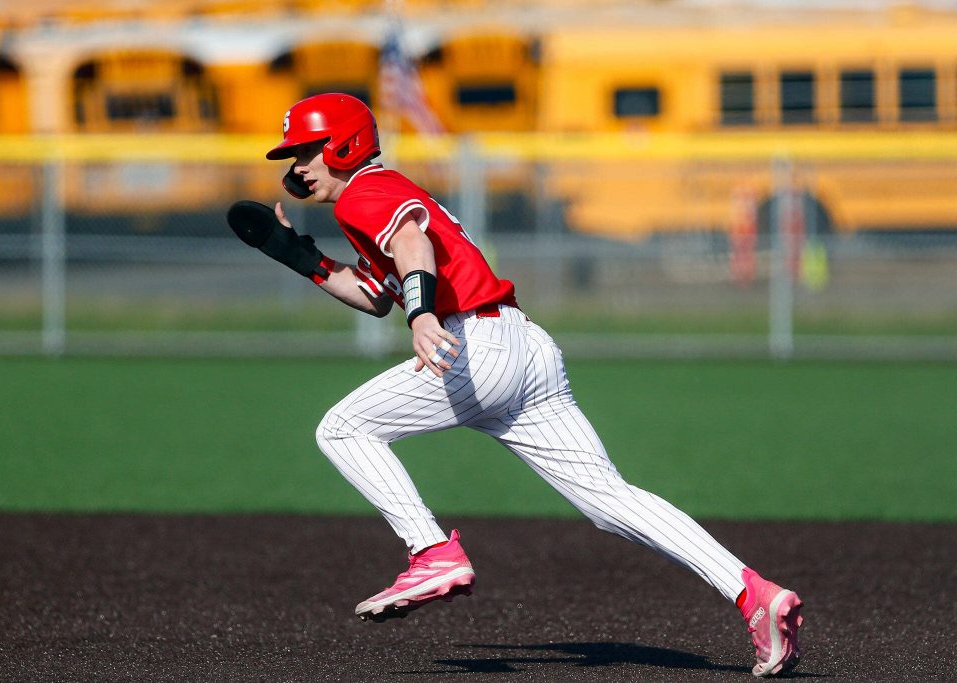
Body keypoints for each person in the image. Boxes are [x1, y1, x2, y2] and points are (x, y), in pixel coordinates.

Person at [226, 93, 804, 678]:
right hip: (523, 347)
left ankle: (431, 552)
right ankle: (754, 592)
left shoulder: (366, 192)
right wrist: (298, 256)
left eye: (304, 152)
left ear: (343, 145)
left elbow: (413, 248)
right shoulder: (377, 196)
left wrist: (422, 315)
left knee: (343, 429)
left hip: (474, 345)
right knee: (611, 500)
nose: (294, 168)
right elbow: (376, 297)